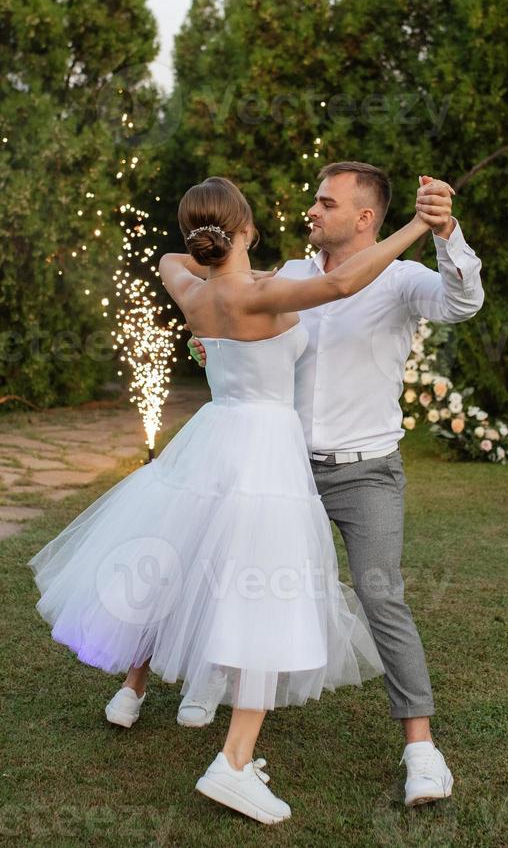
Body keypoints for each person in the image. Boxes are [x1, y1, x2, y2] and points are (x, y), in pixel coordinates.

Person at [26, 174, 439, 826]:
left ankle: (169, 709)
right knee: (265, 595)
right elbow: (337, 285)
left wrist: (209, 254)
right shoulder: (265, 293)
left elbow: (169, 258)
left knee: (186, 561)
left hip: (213, 437)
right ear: (245, 227)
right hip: (266, 453)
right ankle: (236, 760)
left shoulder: (191, 288)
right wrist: (418, 228)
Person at [187, 162, 485, 809]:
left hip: (366, 470)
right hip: (284, 467)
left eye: (326, 203)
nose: (312, 212)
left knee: (382, 596)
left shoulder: (402, 280)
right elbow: (232, 308)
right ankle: (209, 694)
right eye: (315, 202)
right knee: (246, 581)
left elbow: (464, 301)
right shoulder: (291, 276)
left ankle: (422, 752)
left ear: (365, 218)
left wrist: (444, 231)